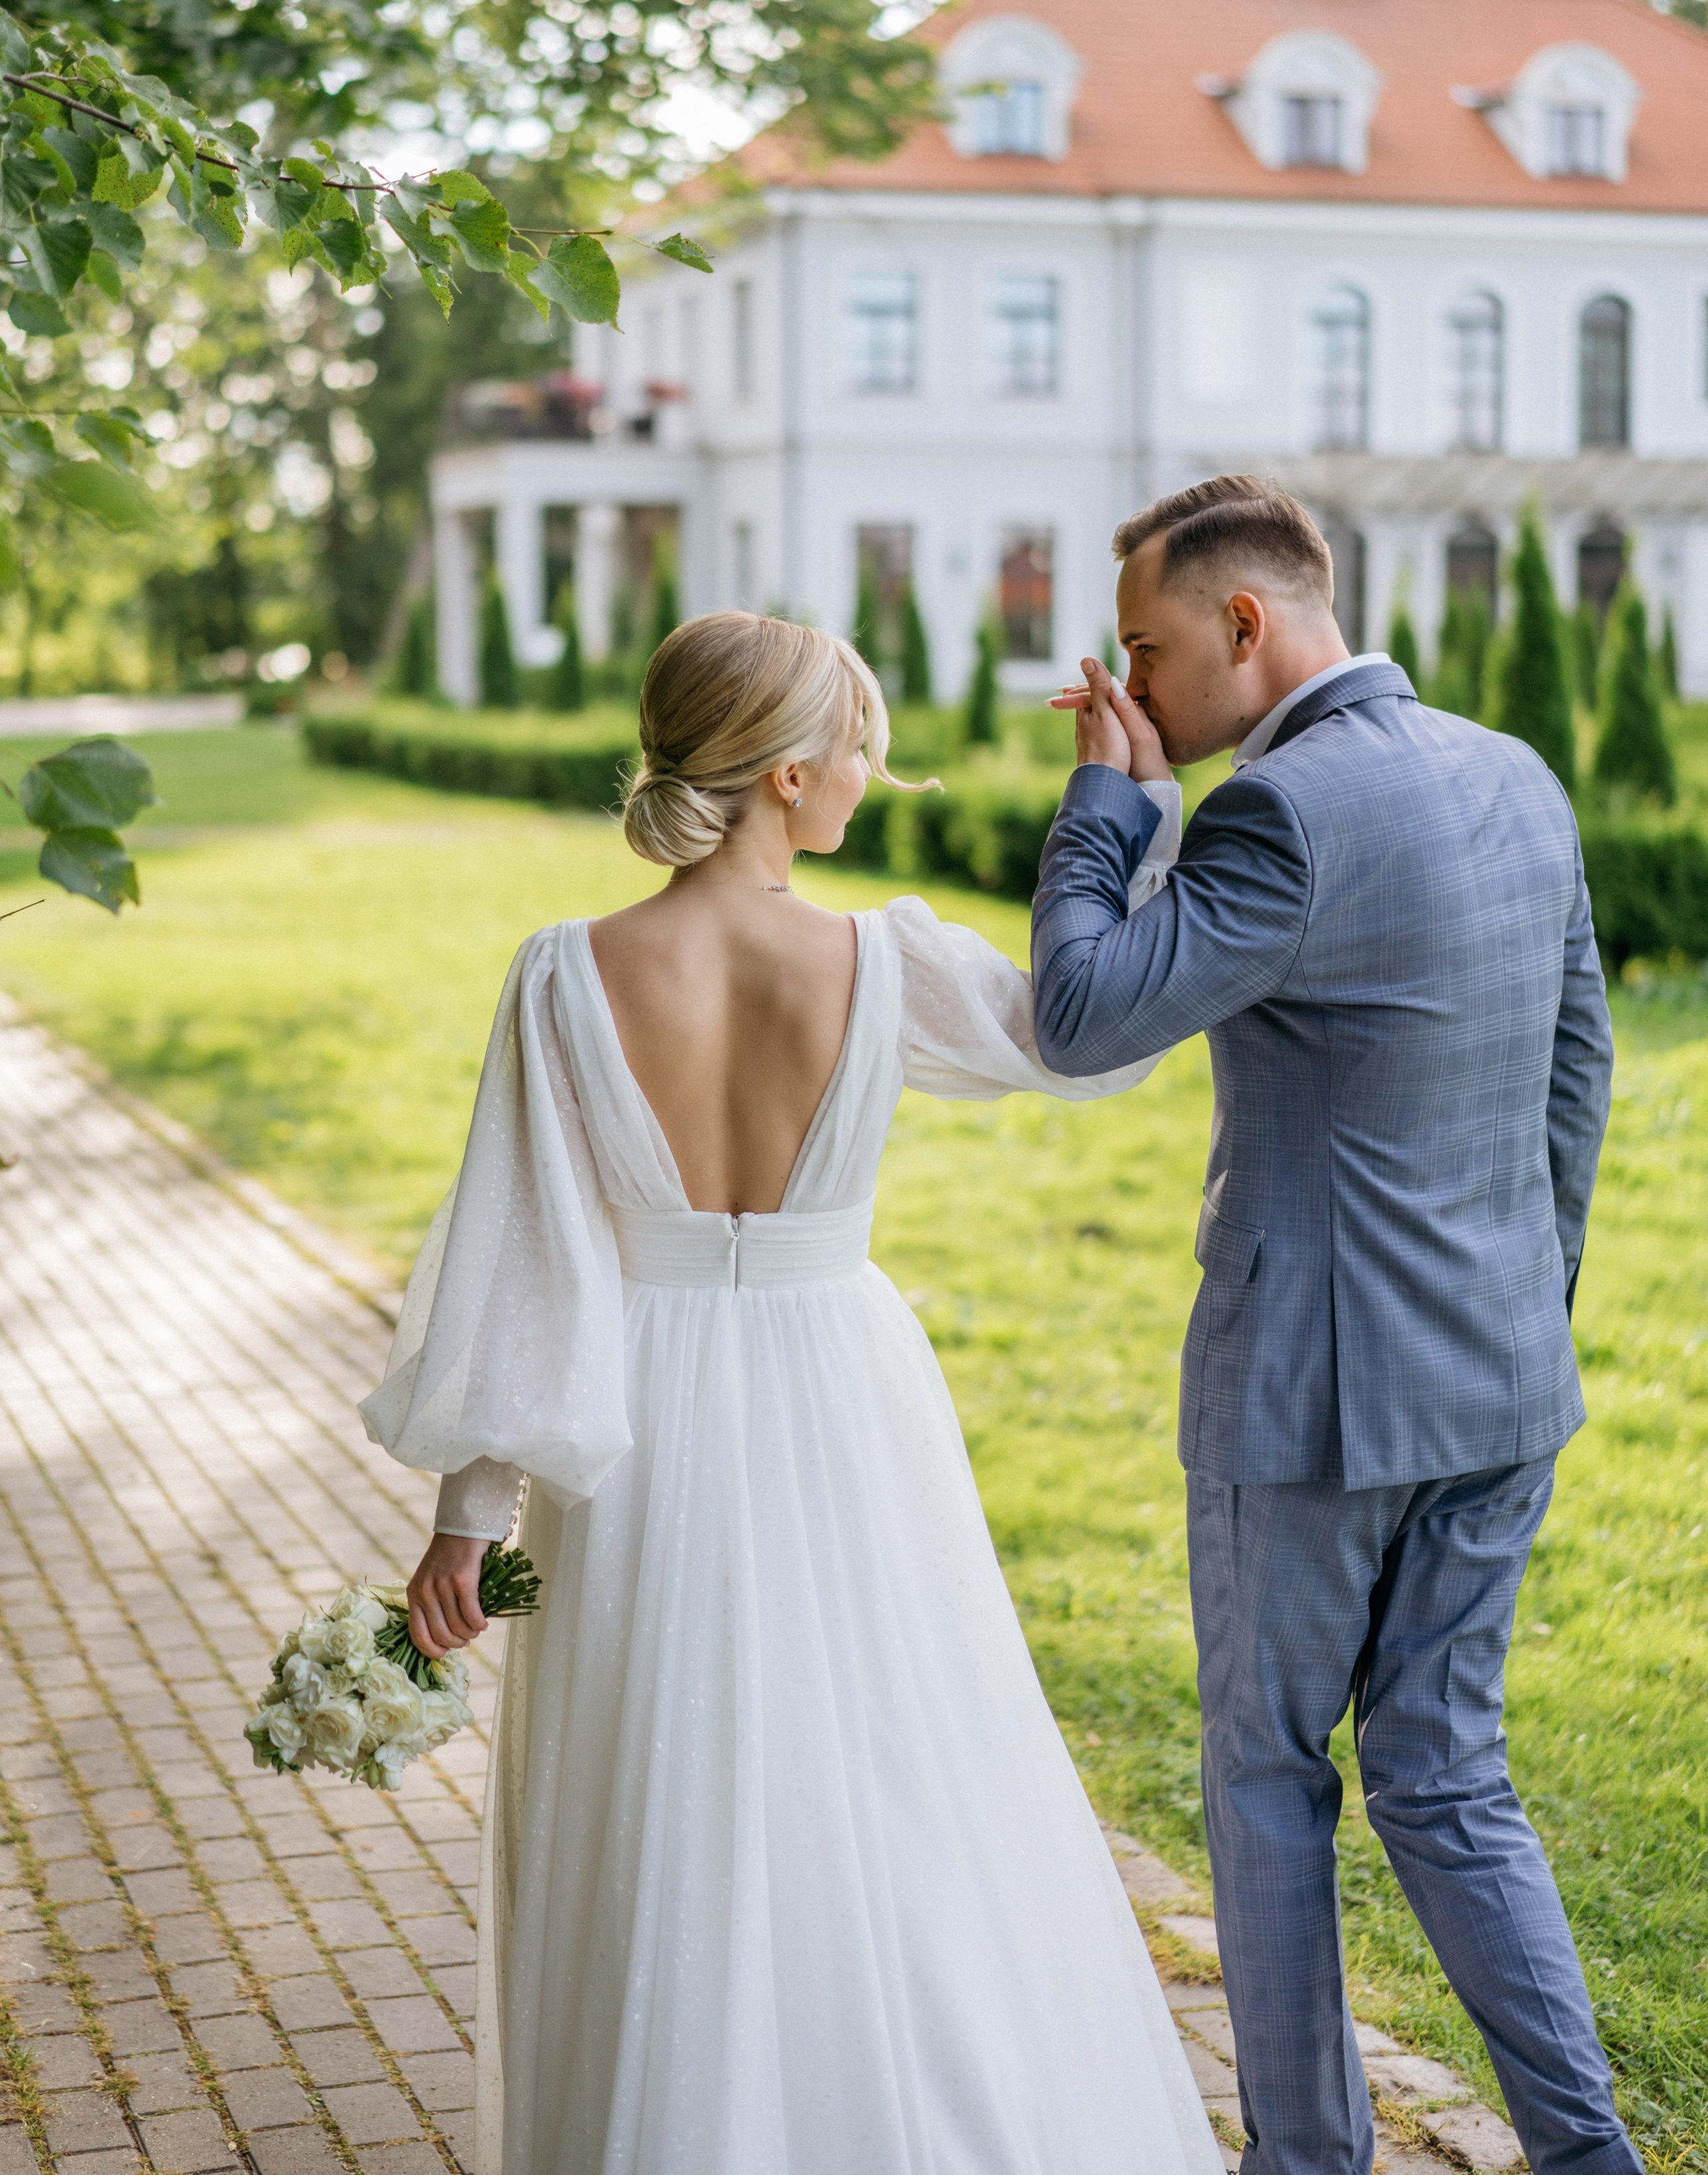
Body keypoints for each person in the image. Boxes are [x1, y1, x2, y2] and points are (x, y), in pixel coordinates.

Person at [361, 611, 1220, 2175]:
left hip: (644, 1416)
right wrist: (1129, 819)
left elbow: (527, 1260)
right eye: (854, 745)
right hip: (842, 1384)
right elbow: (1094, 1045)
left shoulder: (564, 973)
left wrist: (464, 1521)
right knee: (893, 1772)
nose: (870, 774)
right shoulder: (885, 959)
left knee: (653, 1804)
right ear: (783, 772)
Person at [1031, 475, 1636, 2175]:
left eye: (1146, 653)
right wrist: (1523, 1304)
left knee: (1267, 1775)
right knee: (1446, 1776)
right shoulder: (1512, 771)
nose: (1134, 695)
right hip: (1499, 1375)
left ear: (1246, 623)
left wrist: (1100, 811)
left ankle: (1305, 2161)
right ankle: (1588, 2156)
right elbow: (1574, 1072)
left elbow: (1080, 1012)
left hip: (1303, 1408)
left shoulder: (1273, 814)